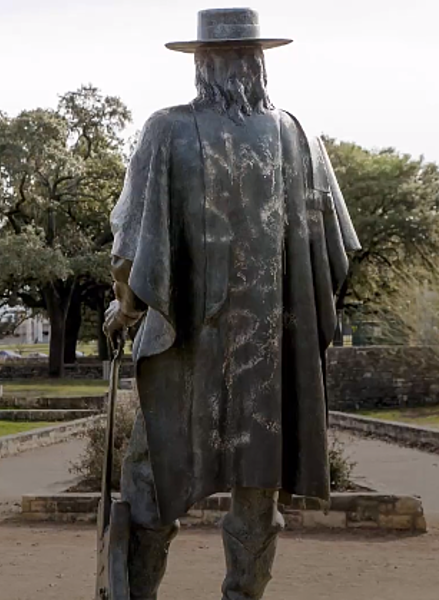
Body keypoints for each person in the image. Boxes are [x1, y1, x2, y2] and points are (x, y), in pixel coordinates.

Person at [105, 8, 359, 599]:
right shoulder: (299, 136)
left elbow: (131, 249)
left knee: (150, 480)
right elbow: (333, 254)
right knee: (256, 488)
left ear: (201, 64)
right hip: (267, 357)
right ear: (258, 61)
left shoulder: (166, 129)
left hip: (184, 347)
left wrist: (126, 311)